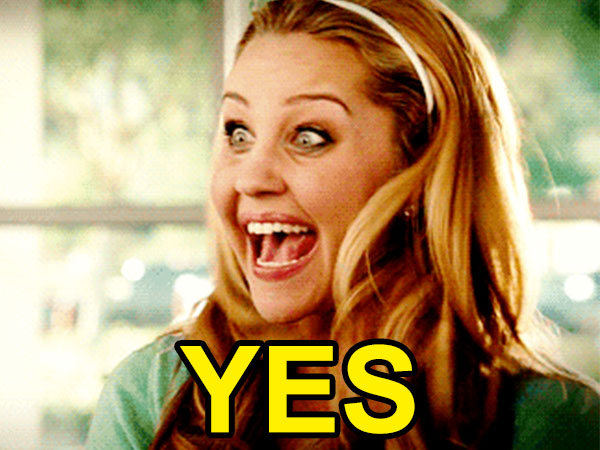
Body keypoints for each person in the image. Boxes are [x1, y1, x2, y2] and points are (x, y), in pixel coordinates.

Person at [86, 0, 599, 448]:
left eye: (308, 136)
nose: (250, 178)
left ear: (421, 170)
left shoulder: (545, 424)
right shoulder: (152, 397)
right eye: (238, 133)